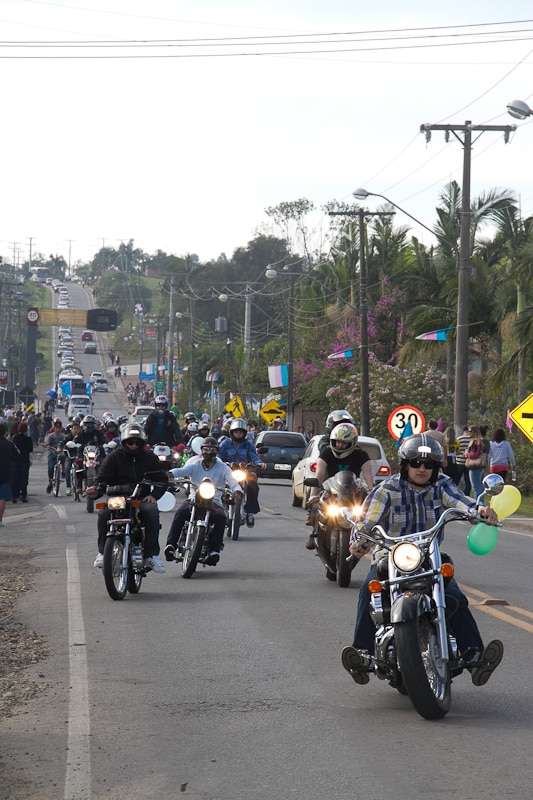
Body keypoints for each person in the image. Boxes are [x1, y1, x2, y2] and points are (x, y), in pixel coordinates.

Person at [341, 434, 503, 687]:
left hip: (428, 555)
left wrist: (480, 511)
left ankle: (474, 656)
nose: (422, 469)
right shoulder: (387, 489)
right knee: (369, 592)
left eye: (429, 464)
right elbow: (367, 521)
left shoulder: (442, 485)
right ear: (405, 464)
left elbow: (462, 501)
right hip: (392, 555)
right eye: (416, 462)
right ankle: (362, 654)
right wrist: (359, 541)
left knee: (455, 596)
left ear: (436, 468)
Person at [87, 424, 168, 572]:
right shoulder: (114, 457)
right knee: (103, 513)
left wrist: (153, 495)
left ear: (142, 443)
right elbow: (102, 479)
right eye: (130, 442)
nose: (134, 445)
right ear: (124, 442)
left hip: (140, 498)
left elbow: (162, 480)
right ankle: (102, 553)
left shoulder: (150, 457)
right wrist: (96, 490)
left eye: (137, 442)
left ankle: (152, 555)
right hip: (118, 497)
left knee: (151, 511)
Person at [164, 437, 243, 566]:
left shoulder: (224, 468)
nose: (209, 452)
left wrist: (237, 491)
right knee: (181, 513)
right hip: (193, 499)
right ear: (201, 450)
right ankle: (171, 545)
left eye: (212, 449)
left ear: (216, 451)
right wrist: (168, 474)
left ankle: (214, 551)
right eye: (206, 449)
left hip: (214, 501)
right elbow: (181, 471)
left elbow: (233, 481)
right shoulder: (195, 465)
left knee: (221, 518)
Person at [305, 422, 373, 548]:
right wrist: (313, 495)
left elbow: (368, 475)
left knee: (365, 513)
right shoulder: (326, 453)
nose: (339, 445)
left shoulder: (361, 455)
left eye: (343, 443)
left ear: (352, 442)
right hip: (330, 490)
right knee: (317, 504)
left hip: (353, 492)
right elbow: (319, 474)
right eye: (336, 442)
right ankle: (314, 532)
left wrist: (371, 491)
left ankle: (363, 537)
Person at [218, 418, 263, 526]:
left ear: (244, 433)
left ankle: (250, 512)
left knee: (252, 483)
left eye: (241, 432)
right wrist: (219, 462)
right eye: (236, 432)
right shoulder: (225, 443)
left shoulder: (248, 445)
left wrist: (259, 463)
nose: (238, 434)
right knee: (216, 485)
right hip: (228, 471)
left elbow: (254, 456)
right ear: (232, 432)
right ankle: (218, 508)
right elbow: (219, 457)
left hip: (244, 471)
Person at [0, 423, 19, 525]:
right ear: (5, 432)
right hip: (5, 473)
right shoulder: (9, 444)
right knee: (2, 498)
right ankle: (0, 520)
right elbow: (17, 455)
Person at [11, 422, 33, 503]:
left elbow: (12, 449)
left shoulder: (14, 438)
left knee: (15, 478)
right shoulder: (28, 438)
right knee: (24, 479)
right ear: (26, 429)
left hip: (15, 461)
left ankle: (14, 496)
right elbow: (30, 449)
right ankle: (24, 495)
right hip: (25, 460)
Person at [44, 418, 68, 494]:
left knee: (64, 458)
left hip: (61, 453)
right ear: (54, 427)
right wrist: (48, 446)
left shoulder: (64, 437)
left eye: (59, 427)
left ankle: (63, 471)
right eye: (56, 427)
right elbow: (47, 444)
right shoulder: (50, 436)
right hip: (52, 453)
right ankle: (50, 482)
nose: (58, 429)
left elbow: (67, 444)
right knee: (50, 468)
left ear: (61, 428)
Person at [465, 427, 486, 498]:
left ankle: (478, 503)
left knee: (476, 487)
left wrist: (467, 454)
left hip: (474, 466)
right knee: (480, 486)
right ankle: (480, 502)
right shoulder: (481, 441)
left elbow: (474, 454)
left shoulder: (474, 441)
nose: (469, 432)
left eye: (470, 431)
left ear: (474, 432)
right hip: (480, 466)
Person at [455, 425, 472, 496]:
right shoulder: (471, 440)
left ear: (463, 431)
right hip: (469, 463)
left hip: (459, 462)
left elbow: (456, 451)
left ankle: (454, 493)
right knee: (468, 481)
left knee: (456, 480)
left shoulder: (458, 439)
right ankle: (467, 495)